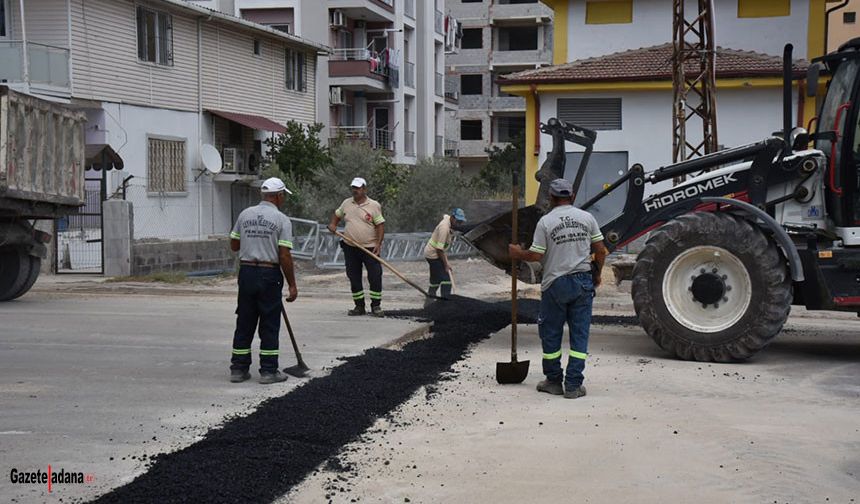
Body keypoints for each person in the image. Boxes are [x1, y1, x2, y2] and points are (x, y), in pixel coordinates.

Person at [508, 178, 609, 399]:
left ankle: (553, 381)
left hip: (556, 283)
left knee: (551, 334)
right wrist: (598, 274)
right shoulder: (587, 218)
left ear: (552, 198)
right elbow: (601, 250)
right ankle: (573, 386)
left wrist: (518, 254)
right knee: (579, 335)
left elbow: (536, 255)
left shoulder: (546, 222)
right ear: (571, 196)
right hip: (583, 281)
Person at [228, 177, 298, 385]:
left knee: (245, 320)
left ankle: (238, 369)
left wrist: (253, 241)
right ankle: (268, 371)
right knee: (269, 322)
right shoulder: (281, 219)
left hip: (247, 272)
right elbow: (284, 255)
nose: (283, 199)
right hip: (269, 273)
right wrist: (292, 284)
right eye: (283, 195)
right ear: (278, 196)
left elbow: (233, 244)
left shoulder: (245, 214)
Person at [327, 177, 386, 317]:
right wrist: (333, 225)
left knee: (375, 276)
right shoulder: (347, 203)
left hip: (370, 247)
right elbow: (337, 215)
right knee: (353, 276)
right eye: (353, 187)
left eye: (358, 188)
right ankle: (359, 306)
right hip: (350, 247)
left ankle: (376, 306)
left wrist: (378, 243)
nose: (355, 190)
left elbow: (380, 226)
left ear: (364, 189)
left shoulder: (374, 205)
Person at [424, 208, 467, 300]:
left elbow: (442, 250)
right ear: (453, 218)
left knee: (435, 280)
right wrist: (446, 265)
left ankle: (429, 301)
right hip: (433, 255)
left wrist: (447, 262)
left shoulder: (448, 221)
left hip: (434, 253)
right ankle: (445, 303)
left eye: (461, 222)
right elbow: (439, 249)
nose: (459, 224)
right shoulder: (444, 228)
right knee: (446, 280)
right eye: (458, 221)